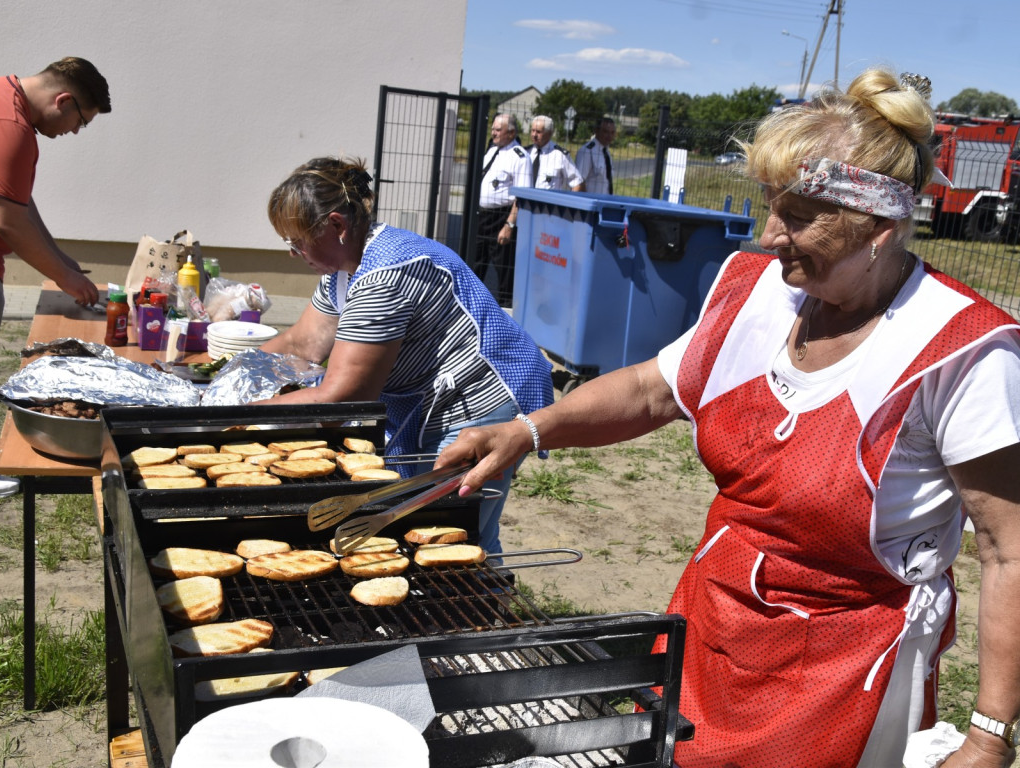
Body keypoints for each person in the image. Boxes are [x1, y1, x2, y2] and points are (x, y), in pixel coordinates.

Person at [436, 69, 1020, 768]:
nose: (771, 235)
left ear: (881, 225)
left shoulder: (961, 351)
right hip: (713, 622)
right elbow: (655, 390)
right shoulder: (756, 292)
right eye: (772, 205)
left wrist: (989, 734)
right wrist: (530, 430)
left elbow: (1007, 551)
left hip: (841, 665)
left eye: (799, 214)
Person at [257, 156, 553, 556]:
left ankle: (485, 607)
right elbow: (301, 343)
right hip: (433, 396)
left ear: (337, 226)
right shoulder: (341, 271)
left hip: (483, 395)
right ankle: (490, 601)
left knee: (444, 535)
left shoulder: (385, 274)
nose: (293, 253)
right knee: (444, 529)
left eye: (296, 241)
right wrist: (229, 375)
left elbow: (340, 399)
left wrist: (246, 413)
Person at [0, 57, 106, 334]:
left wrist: (58, 257)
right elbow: (8, 223)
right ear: (64, 101)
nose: (75, 131)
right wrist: (64, 277)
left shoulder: (4, 97)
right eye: (81, 121)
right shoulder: (11, 126)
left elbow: (14, 200)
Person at [474, 113, 532, 303]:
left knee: (504, 270)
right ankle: (472, 304)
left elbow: (522, 196)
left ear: (511, 133)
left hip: (501, 217)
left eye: (498, 130)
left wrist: (509, 225)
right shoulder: (491, 150)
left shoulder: (520, 157)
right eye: (493, 129)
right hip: (481, 216)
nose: (493, 133)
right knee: (475, 265)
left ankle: (506, 310)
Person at [527, 115, 584, 191]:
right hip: (525, 201)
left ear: (549, 134)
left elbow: (577, 183)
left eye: (538, 132)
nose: (534, 135)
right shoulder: (526, 152)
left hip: (547, 202)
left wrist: (568, 202)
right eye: (533, 130)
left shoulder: (560, 155)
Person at [575, 117, 616, 195]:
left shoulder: (606, 152)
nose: (609, 136)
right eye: (605, 132)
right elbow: (578, 182)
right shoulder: (587, 151)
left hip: (605, 203)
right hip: (591, 203)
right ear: (596, 131)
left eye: (612, 132)